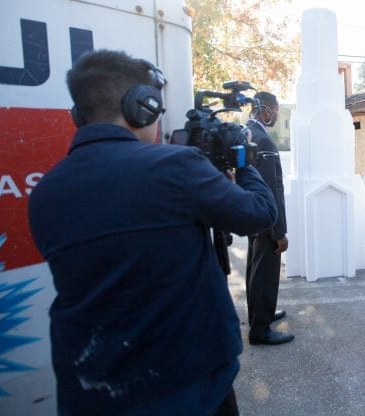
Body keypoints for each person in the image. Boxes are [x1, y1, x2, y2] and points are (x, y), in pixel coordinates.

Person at [28, 50, 278, 416]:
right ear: (141, 108)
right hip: (186, 386)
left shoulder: (44, 193)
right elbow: (258, 214)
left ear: (78, 115)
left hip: (91, 388)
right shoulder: (175, 167)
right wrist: (246, 165)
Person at [245, 91, 294, 345]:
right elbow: (272, 188)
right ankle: (260, 330)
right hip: (266, 219)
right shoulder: (263, 141)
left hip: (253, 215)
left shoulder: (247, 134)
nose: (275, 116)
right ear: (265, 110)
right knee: (265, 273)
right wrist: (279, 231)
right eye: (275, 111)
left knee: (255, 269)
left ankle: (259, 316)